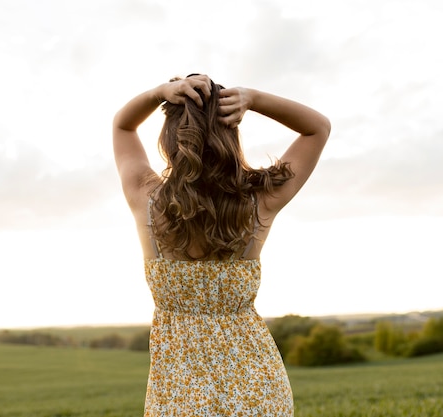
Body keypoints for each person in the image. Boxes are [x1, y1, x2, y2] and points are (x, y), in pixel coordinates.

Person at [113, 74, 330, 416]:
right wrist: (253, 98)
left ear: (170, 140)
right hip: (260, 392)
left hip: (178, 398)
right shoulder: (260, 200)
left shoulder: (147, 200)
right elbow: (317, 128)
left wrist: (158, 93)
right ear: (232, 134)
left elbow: (123, 128)